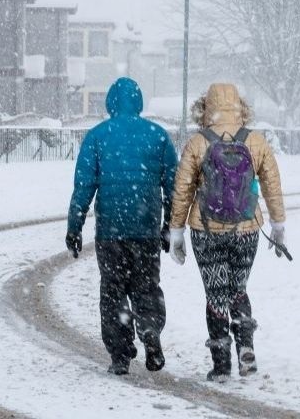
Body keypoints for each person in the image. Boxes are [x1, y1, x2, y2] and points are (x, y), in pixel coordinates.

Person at [168, 83, 286, 382]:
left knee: (215, 294)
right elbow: (272, 184)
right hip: (246, 229)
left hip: (206, 231)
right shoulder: (255, 141)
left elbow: (182, 190)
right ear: (240, 106)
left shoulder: (198, 143)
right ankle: (246, 348)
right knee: (238, 289)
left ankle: (221, 364)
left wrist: (176, 230)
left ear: (205, 107)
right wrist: (278, 224)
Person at [66, 77, 179, 376]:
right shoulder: (158, 136)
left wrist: (74, 226)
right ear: (139, 101)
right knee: (146, 287)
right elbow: (174, 187)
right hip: (146, 228)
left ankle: (120, 353)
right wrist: (169, 225)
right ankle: (150, 331)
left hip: (110, 231)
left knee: (113, 290)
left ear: (110, 103)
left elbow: (84, 186)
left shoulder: (98, 137)